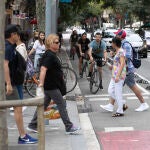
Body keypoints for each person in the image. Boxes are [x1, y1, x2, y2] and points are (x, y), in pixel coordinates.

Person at [27, 34, 80, 134]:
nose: (58, 44)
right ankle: (68, 126)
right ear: (50, 43)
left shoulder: (51, 54)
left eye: (58, 42)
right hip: (51, 86)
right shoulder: (49, 55)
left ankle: (33, 124)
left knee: (43, 105)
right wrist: (41, 84)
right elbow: (43, 69)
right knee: (61, 105)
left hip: (50, 86)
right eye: (56, 42)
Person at [100, 30, 149, 112]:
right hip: (122, 70)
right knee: (116, 88)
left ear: (120, 36)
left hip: (127, 70)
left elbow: (127, 58)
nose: (115, 36)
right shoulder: (121, 44)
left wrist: (117, 65)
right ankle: (111, 105)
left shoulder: (126, 45)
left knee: (133, 86)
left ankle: (143, 104)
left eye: (117, 35)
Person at [4, 24, 38, 144]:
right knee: (18, 108)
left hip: (13, 81)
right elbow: (5, 65)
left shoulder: (10, 46)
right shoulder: (7, 48)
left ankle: (23, 136)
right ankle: (23, 136)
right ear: (13, 35)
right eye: (17, 34)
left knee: (14, 107)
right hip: (10, 83)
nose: (18, 37)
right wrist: (8, 83)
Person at [108, 37, 126, 117]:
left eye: (112, 42)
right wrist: (112, 65)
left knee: (118, 93)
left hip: (119, 75)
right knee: (110, 91)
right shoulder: (117, 51)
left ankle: (120, 111)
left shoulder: (121, 51)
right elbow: (117, 62)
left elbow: (122, 64)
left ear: (115, 43)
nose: (111, 44)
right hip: (114, 75)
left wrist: (118, 76)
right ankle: (122, 104)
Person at [15, 31, 28, 100]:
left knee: (19, 89)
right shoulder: (19, 47)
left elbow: (20, 62)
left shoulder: (21, 48)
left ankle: (19, 105)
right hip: (19, 71)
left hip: (19, 72)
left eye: (15, 35)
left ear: (19, 37)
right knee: (18, 89)